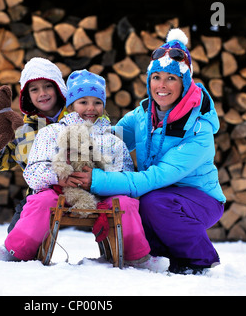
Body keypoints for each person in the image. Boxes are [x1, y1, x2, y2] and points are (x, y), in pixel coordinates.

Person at [71, 29, 226, 275]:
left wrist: (97, 180)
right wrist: (72, 139)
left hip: (200, 199)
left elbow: (155, 177)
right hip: (159, 194)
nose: (161, 85)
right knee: (137, 203)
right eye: (156, 77)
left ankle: (198, 259)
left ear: (185, 82)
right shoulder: (143, 114)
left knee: (152, 202)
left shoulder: (198, 129)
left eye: (171, 78)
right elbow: (112, 140)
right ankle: (160, 256)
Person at [0, 70, 151, 265]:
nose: (91, 108)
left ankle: (137, 257)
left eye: (97, 102)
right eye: (83, 102)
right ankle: (17, 250)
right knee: (41, 200)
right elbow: (32, 172)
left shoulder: (112, 139)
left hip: (103, 195)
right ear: (71, 105)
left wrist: (100, 180)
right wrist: (58, 177)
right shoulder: (52, 132)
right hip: (60, 192)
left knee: (125, 204)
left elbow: (126, 178)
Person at [0, 57, 68, 232]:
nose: (42, 93)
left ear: (58, 87)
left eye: (48, 86)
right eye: (34, 89)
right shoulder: (22, 130)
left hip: (78, 186)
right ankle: (16, 250)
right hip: (39, 194)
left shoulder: (77, 117)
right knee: (16, 236)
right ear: (27, 96)